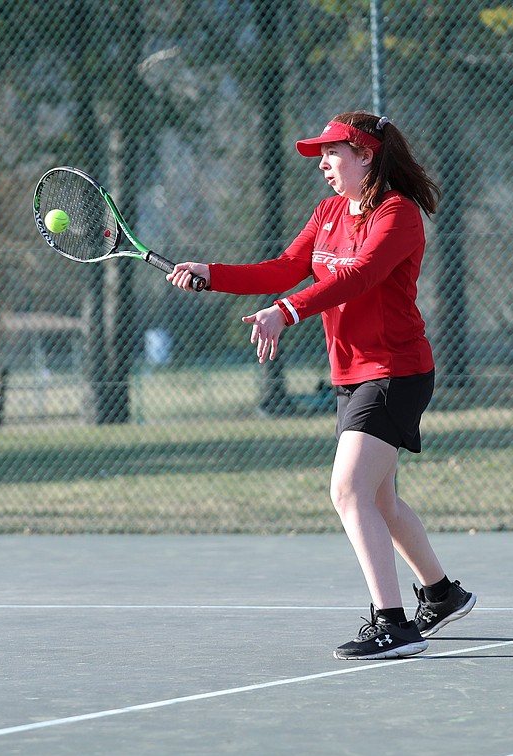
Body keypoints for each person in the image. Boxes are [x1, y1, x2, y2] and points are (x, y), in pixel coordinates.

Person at [167, 111, 475, 660]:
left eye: (334, 154)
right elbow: (283, 268)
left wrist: (285, 313)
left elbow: (359, 276)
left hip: (396, 372)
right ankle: (441, 593)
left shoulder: (398, 214)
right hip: (352, 373)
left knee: (347, 491)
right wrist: (210, 272)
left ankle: (394, 624)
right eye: (322, 155)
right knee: (380, 499)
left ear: (367, 156)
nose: (325, 165)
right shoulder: (327, 212)